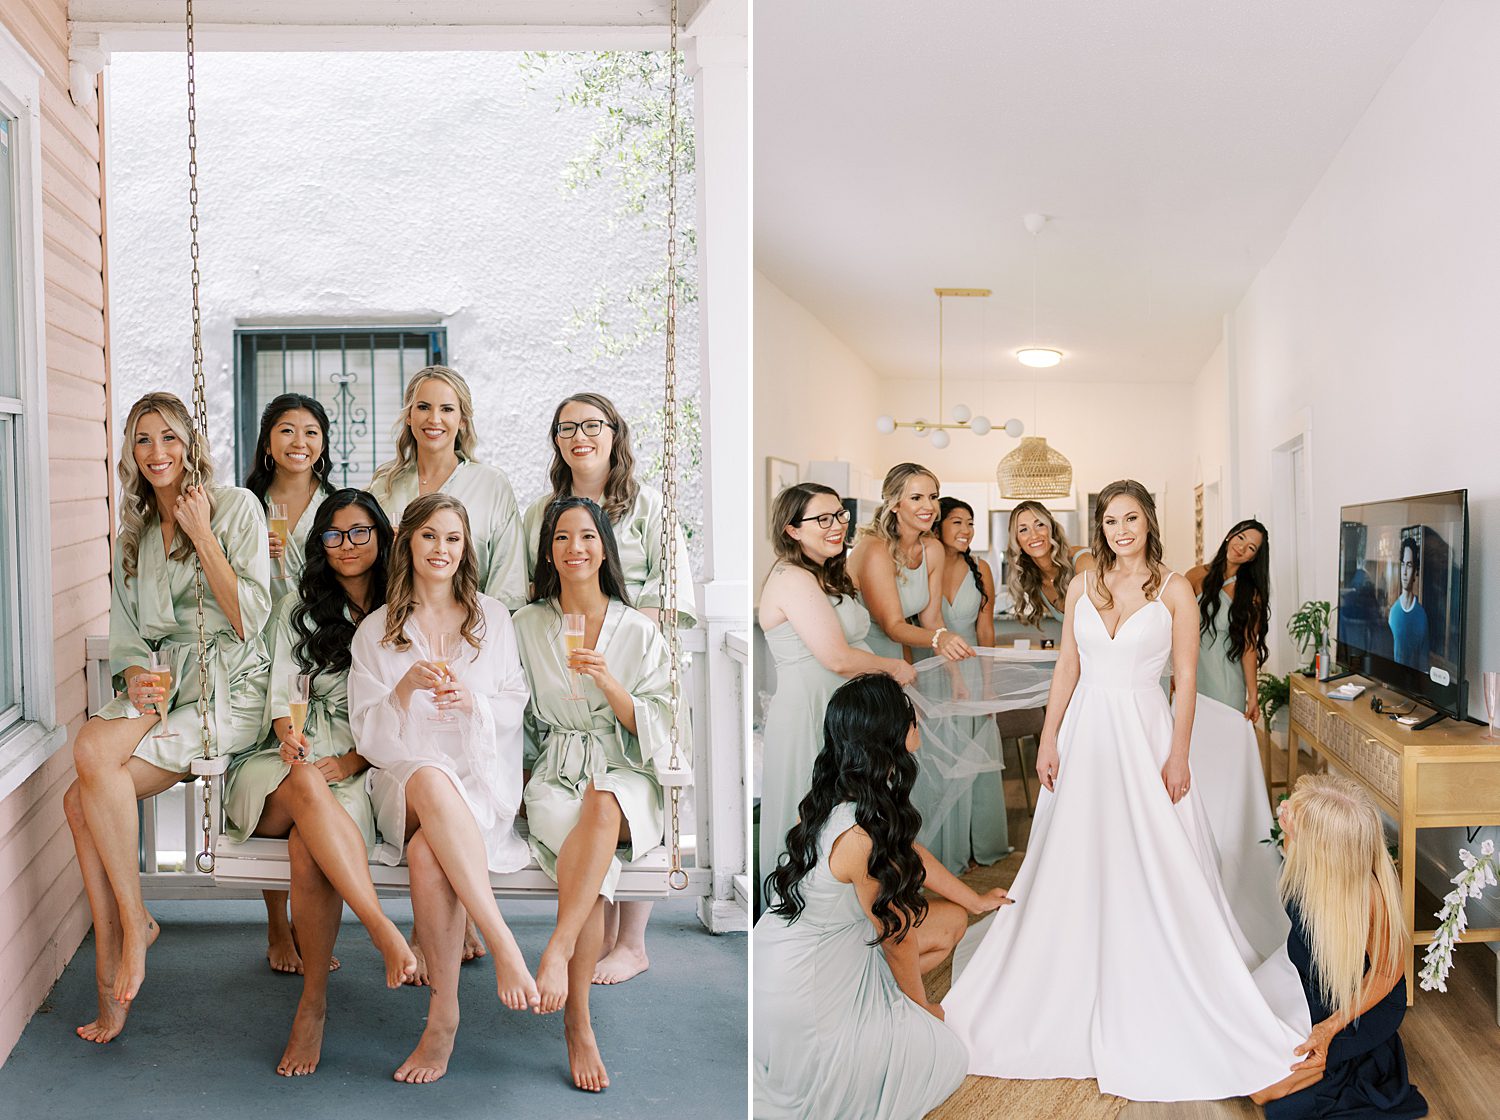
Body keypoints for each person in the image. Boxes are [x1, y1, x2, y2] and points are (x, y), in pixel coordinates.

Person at [943, 480, 1310, 1102]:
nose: (1120, 529)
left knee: (1158, 856)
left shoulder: (1175, 591)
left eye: (1131, 518)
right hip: (1086, 729)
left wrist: (1178, 754)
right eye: (1110, 520)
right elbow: (1067, 666)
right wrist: (1051, 735)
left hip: (1144, 731)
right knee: (1076, 852)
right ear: (1099, 526)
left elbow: (1187, 680)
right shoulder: (1084, 579)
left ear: (1149, 521)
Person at [64, 392, 271, 1043]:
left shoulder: (236, 506)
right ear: (131, 451)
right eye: (144, 440)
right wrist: (133, 676)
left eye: (170, 438)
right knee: (86, 779)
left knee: (84, 794)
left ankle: (126, 944)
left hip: (226, 690)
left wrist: (203, 531)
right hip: (165, 682)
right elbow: (129, 636)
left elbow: (248, 620)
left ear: (190, 444)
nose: (158, 452)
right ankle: (133, 926)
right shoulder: (134, 536)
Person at [754, 673, 1011, 1120]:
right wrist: (921, 1009)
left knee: (952, 922)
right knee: (947, 1055)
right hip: (807, 995)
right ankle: (881, 1023)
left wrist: (973, 901)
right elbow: (896, 937)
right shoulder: (858, 836)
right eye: (910, 712)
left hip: (787, 957)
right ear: (888, 733)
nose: (919, 719)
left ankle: (883, 1004)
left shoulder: (841, 796)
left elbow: (907, 850)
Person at [223, 489, 419, 1074]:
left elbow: (408, 707)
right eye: (333, 535)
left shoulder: (403, 611)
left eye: (360, 532)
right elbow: (286, 694)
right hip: (283, 763)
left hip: (360, 763)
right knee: (306, 782)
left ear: (382, 539)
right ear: (320, 545)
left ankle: (312, 1005)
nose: (347, 545)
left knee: (310, 847)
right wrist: (288, 735)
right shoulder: (298, 610)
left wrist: (356, 762)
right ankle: (382, 927)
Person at [348, 493, 538, 1084]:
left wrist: (473, 703)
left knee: (431, 852)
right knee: (429, 777)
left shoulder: (493, 619)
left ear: (466, 548)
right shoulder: (378, 629)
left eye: (453, 539)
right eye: (430, 536)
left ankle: (443, 1018)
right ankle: (504, 941)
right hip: (402, 785)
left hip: (478, 790)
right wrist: (403, 689)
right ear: (408, 543)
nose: (442, 549)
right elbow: (368, 734)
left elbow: (514, 702)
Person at [521, 391, 695, 985]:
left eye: (592, 425)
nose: (580, 437)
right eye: (567, 427)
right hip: (567, 674)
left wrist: (624, 632)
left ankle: (627, 942)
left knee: (616, 781)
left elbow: (675, 599)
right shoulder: (541, 511)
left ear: (615, 433)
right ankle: (579, 948)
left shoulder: (648, 506)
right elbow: (531, 588)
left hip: (632, 653)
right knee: (586, 798)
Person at [513, 496, 676, 1092]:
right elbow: (515, 719)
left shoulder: (638, 630)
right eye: (561, 538)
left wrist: (608, 680)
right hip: (558, 772)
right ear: (549, 551)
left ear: (604, 547)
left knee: (604, 800)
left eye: (586, 536)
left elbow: (659, 724)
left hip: (623, 769)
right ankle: (578, 1023)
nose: (573, 547)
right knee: (590, 851)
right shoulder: (526, 626)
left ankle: (556, 951)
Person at [757, 483, 915, 893]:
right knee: (812, 812)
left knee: (850, 814)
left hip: (843, 713)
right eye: (823, 519)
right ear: (792, 530)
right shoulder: (791, 578)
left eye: (841, 515)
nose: (837, 526)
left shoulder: (828, 573)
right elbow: (837, 658)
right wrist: (893, 667)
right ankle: (801, 909)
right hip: (811, 712)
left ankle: (852, 905)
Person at [1253, 773, 1428, 1119]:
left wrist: (1329, 1029)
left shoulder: (1370, 897)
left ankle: (1355, 1063)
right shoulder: (1307, 859)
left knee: (1264, 1093)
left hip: (1358, 1001)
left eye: (1293, 817)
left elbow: (1386, 973)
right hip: (1310, 980)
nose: (1283, 812)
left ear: (1323, 846)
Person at [243, 391, 337, 973]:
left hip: (315, 651)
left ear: (323, 444)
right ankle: (277, 922)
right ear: (268, 441)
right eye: (286, 430)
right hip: (256, 655)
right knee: (272, 766)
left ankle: (313, 922)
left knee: (310, 768)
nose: (299, 442)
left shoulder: (337, 505)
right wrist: (259, 557)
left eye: (311, 432)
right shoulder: (247, 504)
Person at [1185, 518, 1285, 956]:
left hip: (1224, 693)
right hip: (1190, 690)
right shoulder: (1193, 577)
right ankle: (1192, 854)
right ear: (1229, 537)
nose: (1244, 548)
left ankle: (1225, 855)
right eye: (1242, 538)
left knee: (1221, 778)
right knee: (1190, 771)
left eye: (1253, 547)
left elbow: (1247, 647)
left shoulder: (1250, 593)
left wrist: (1252, 694)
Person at [368, 365, 527, 611]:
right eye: (423, 407)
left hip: (474, 632)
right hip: (396, 631)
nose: (434, 419)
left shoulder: (492, 484)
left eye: (447, 409)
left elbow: (508, 580)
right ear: (409, 416)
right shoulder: (384, 486)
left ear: (462, 420)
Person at [928, 496, 1008, 867]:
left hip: (973, 670)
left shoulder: (981, 567)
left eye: (970, 523)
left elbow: (986, 629)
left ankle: (981, 842)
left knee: (974, 757)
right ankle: (943, 848)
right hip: (932, 671)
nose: (966, 530)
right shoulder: (921, 562)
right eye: (957, 522)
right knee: (938, 756)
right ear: (938, 524)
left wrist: (988, 684)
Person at [849, 463, 974, 664]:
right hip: (864, 658)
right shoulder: (875, 550)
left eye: (933, 497)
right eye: (916, 498)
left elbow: (932, 621)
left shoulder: (932, 549)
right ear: (895, 504)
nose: (929, 506)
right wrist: (940, 639)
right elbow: (893, 627)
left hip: (897, 658)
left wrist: (955, 677)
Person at [1005, 499, 1091, 630]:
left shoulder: (1083, 561)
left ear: (1051, 529)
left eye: (1039, 525)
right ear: (1017, 541)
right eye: (1023, 530)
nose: (1034, 535)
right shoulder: (1037, 583)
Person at [1388, 537, 1429, 670]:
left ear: (1416, 571)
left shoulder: (1421, 616)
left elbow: (1424, 664)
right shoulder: (1393, 612)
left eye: (1409, 565)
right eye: (1403, 564)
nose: (1405, 572)